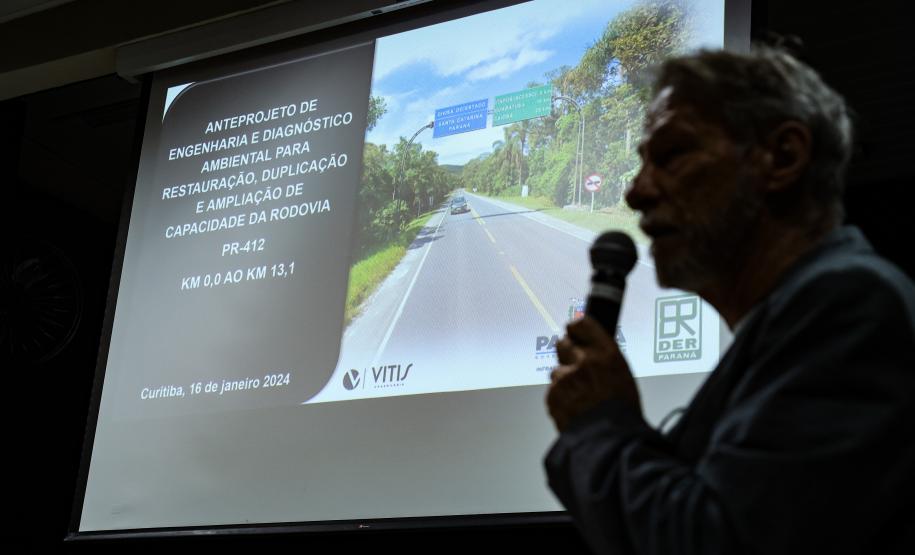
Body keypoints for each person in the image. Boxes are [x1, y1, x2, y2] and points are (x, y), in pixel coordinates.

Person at [543, 46, 915, 555]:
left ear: (782, 157)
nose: (635, 193)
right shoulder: (790, 325)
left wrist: (601, 421)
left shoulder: (851, 304)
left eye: (672, 155)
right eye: (642, 162)